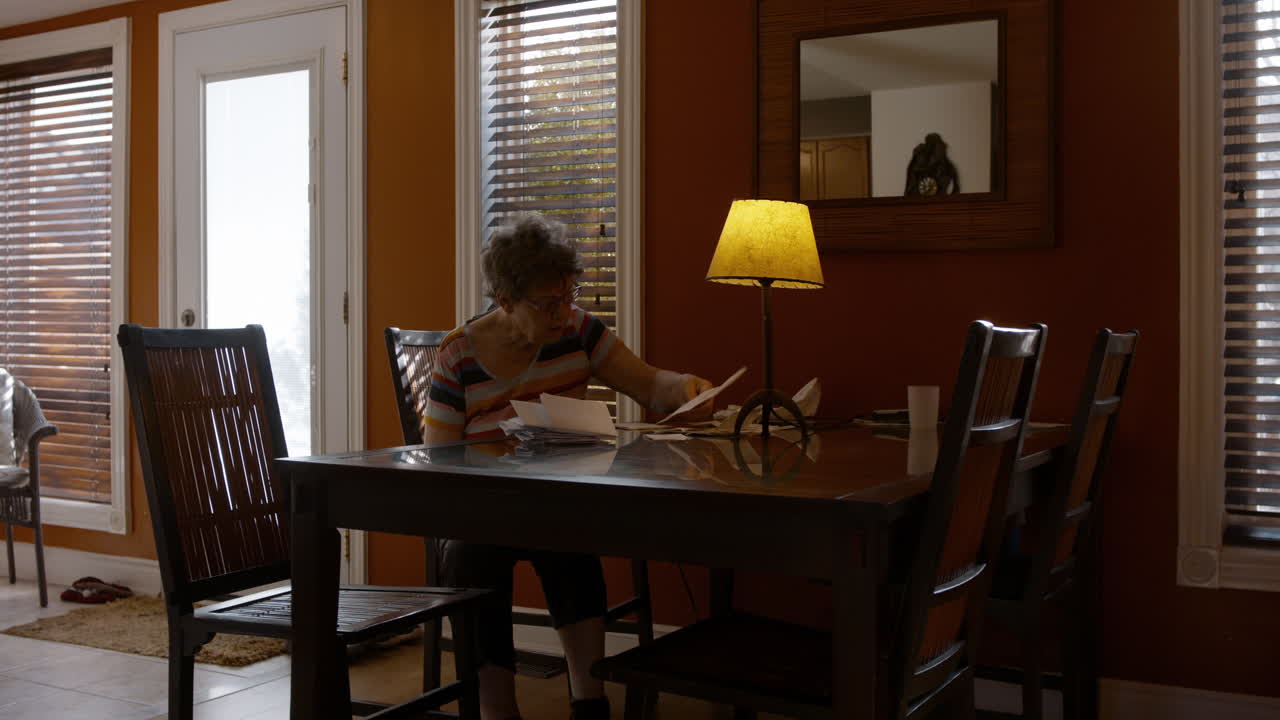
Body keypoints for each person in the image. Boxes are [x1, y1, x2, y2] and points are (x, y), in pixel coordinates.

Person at [423, 213, 714, 720]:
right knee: (470, 555)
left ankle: (589, 698)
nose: (563, 312)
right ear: (506, 300)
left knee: (568, 534)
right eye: (548, 303)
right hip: (481, 510)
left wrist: (685, 387)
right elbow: (439, 461)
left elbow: (648, 384)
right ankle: (497, 709)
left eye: (569, 295)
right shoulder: (458, 354)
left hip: (554, 502)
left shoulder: (580, 332)